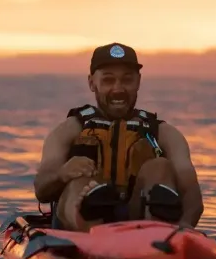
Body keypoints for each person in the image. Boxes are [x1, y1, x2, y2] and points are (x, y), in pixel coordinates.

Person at [32, 42, 204, 232]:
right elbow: (41, 189)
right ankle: (89, 218)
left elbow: (192, 194)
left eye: (127, 80)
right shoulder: (68, 130)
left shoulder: (165, 134)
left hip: (141, 221)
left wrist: (185, 226)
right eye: (108, 80)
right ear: (92, 83)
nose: (118, 89)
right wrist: (62, 173)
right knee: (81, 179)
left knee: (159, 166)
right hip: (79, 225)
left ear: (138, 81)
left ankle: (157, 224)